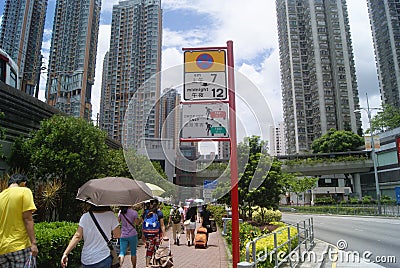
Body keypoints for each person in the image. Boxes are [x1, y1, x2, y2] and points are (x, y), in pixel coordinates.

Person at [0, 174, 38, 266]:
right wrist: (33, 243)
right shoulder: (24, 191)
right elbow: (27, 218)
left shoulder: (1, 196)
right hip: (19, 245)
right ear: (23, 183)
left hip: (2, 248)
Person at [142, 199, 166, 267]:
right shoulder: (159, 213)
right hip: (157, 235)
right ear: (157, 204)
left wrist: (143, 235)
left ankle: (147, 265)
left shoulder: (146, 213)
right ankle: (156, 263)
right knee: (158, 249)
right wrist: (165, 235)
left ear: (150, 204)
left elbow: (143, 225)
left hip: (148, 235)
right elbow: (162, 225)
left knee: (149, 249)